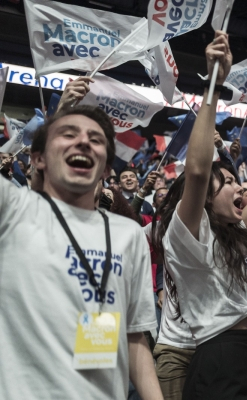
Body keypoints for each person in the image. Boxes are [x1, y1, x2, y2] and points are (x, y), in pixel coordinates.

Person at [153, 31, 247, 399]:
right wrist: (214, 87)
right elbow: (200, 170)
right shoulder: (190, 234)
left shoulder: (236, 230)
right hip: (217, 357)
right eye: (229, 184)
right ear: (204, 198)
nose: (240, 188)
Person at [0, 105, 161, 399]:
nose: (84, 141)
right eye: (68, 134)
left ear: (106, 168)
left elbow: (134, 337)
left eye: (96, 139)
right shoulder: (13, 210)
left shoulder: (129, 235)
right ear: (38, 159)